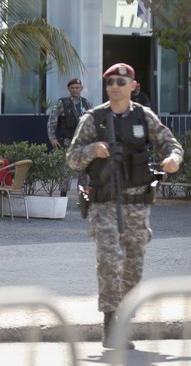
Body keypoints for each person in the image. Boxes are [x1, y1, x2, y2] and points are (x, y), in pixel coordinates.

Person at [67, 63, 183, 349]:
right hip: (104, 204)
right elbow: (72, 158)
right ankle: (109, 324)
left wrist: (173, 160)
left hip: (138, 205)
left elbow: (171, 145)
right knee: (109, 260)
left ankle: (124, 321)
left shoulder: (144, 117)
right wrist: (91, 151)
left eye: (120, 81)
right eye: (110, 82)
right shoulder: (95, 118)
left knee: (133, 267)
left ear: (132, 85)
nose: (115, 86)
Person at [47, 78, 92, 196]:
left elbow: (92, 123)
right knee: (65, 171)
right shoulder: (63, 103)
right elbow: (52, 120)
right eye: (72, 88)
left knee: (84, 171)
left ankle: (83, 197)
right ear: (69, 89)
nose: (75, 90)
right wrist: (52, 137)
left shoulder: (87, 103)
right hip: (66, 141)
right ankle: (63, 196)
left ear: (81, 88)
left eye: (77, 87)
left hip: (82, 143)